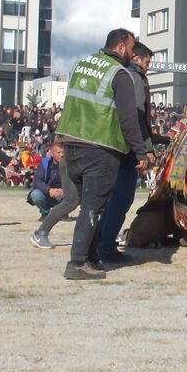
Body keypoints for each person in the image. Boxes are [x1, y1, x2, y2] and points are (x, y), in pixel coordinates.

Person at [55, 28, 150, 280]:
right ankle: (77, 263)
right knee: (93, 207)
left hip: (72, 144)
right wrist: (141, 153)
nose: (132, 54)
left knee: (92, 204)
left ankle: (93, 257)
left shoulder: (81, 64)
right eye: (131, 48)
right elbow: (128, 119)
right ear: (120, 47)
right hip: (100, 146)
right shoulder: (119, 74)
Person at [96, 42, 171, 264]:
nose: (148, 67)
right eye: (147, 62)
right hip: (128, 149)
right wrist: (144, 150)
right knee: (121, 199)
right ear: (137, 58)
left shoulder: (123, 75)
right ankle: (106, 246)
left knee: (113, 199)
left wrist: (159, 139)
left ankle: (101, 242)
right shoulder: (134, 78)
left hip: (119, 145)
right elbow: (135, 116)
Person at [27, 142, 64, 221]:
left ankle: (64, 213)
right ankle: (46, 213)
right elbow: (36, 181)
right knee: (35, 194)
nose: (61, 155)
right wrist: (49, 190)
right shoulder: (44, 163)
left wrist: (64, 190)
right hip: (48, 194)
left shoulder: (69, 165)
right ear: (52, 153)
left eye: (63, 152)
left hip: (63, 195)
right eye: (59, 152)